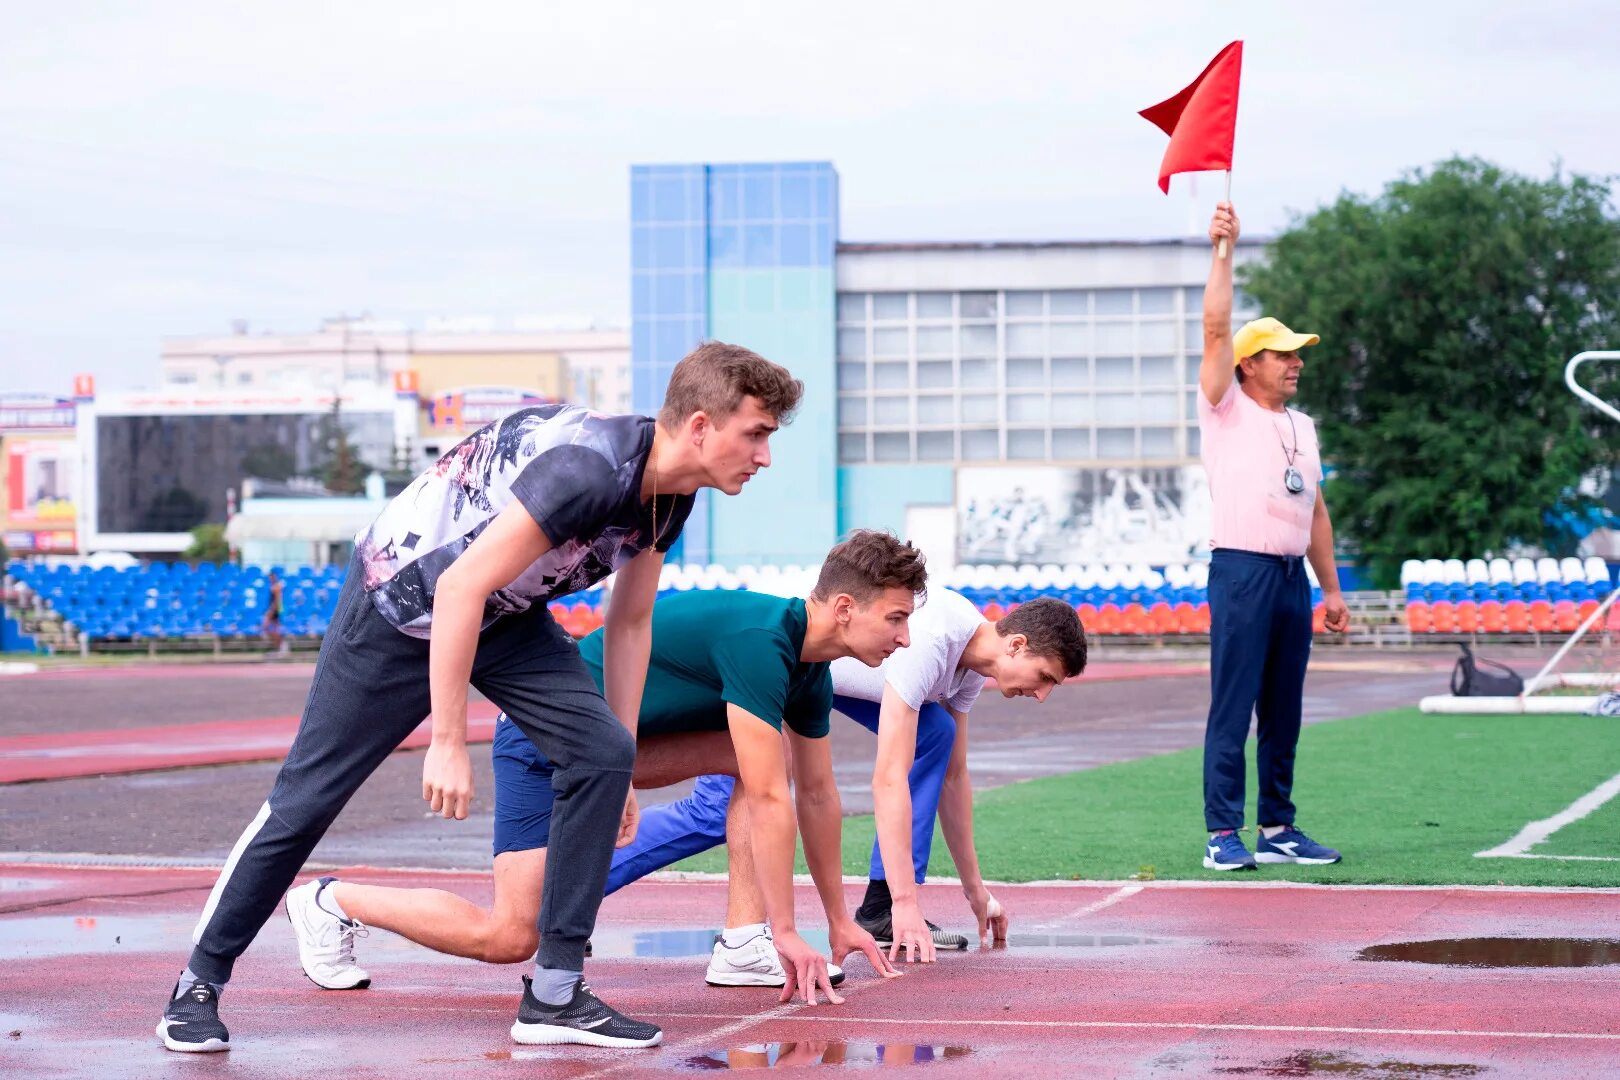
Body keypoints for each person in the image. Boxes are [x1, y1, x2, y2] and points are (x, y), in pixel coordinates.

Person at [157, 341, 802, 1054]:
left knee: (602, 747)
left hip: (504, 616)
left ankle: (556, 993)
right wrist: (445, 742)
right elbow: (456, 586)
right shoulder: (589, 470)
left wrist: (614, 763)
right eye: (757, 434)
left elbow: (631, 623)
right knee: (307, 798)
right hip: (400, 604)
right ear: (702, 426)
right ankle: (197, 984)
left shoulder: (671, 498)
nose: (765, 457)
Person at [286, 530, 922, 1011]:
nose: (904, 639)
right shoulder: (762, 640)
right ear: (844, 607)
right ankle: (331, 901)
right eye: (895, 618)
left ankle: (741, 943)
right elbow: (767, 796)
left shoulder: (807, 671)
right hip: (540, 738)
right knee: (511, 937)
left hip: (613, 748)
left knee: (764, 760)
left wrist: (838, 920)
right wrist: (791, 929)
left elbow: (816, 796)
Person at [606, 593, 1088, 964]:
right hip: (763, 663)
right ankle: (574, 892)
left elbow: (954, 778)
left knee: (935, 733)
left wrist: (974, 890)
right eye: (1045, 677)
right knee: (718, 811)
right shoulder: (932, 641)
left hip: (819, 678)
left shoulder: (965, 671)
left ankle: (878, 905)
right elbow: (888, 778)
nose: (1042, 695)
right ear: (1017, 644)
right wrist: (908, 903)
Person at [1197, 202, 1350, 872]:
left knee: (1283, 709)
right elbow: (1214, 327)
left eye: (1297, 355)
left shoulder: (1303, 427)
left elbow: (1314, 510)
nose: (1295, 363)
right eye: (1281, 354)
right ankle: (1222, 834)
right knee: (1234, 704)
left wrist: (1333, 589)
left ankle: (1278, 825)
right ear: (1247, 364)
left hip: (1290, 579)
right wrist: (1224, 249)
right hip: (1241, 571)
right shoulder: (1223, 410)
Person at [261, 569, 284, 655]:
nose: (270, 579)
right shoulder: (274, 586)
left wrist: (272, 611)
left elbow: (277, 601)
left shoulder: (277, 587)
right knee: (271, 629)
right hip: (275, 609)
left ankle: (280, 646)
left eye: (271, 577)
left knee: (268, 627)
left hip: (275, 610)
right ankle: (279, 647)